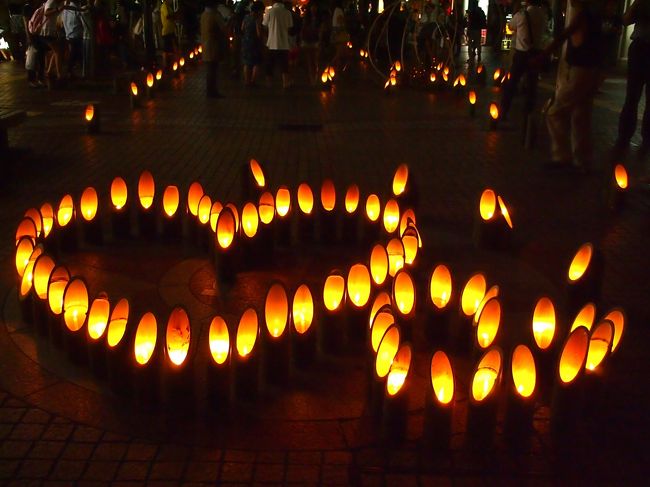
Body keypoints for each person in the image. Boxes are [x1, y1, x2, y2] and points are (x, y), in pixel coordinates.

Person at [537, 0, 604, 173]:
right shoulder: (595, 15)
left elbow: (565, 35)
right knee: (581, 116)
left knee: (555, 111)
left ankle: (562, 157)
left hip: (580, 70)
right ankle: (582, 160)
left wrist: (544, 53)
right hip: (591, 69)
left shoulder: (582, 14)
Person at [499, 0, 548, 119]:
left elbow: (510, 26)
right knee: (532, 86)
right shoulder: (543, 15)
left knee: (512, 83)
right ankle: (528, 114)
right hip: (536, 54)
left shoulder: (521, 15)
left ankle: (504, 111)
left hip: (522, 54)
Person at [615, 0, 650, 157]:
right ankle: (635, 139)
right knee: (632, 97)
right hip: (640, 47)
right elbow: (626, 19)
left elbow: (626, 19)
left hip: (640, 47)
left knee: (632, 96)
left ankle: (627, 138)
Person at [263, 0, 293, 88]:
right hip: (284, 43)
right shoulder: (287, 12)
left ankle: (269, 83)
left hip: (271, 42)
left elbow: (264, 25)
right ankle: (285, 83)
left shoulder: (269, 12)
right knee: (284, 65)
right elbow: (289, 27)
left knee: (269, 64)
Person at [201, 0, 227, 97]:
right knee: (213, 69)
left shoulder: (203, 15)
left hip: (205, 45)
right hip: (214, 45)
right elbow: (223, 28)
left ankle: (210, 90)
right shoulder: (215, 15)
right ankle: (212, 91)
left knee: (209, 69)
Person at [40, 0, 64, 83]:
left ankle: (49, 71)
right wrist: (57, 9)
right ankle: (59, 74)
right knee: (57, 51)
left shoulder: (57, 3)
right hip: (46, 31)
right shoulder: (51, 2)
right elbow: (46, 13)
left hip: (51, 31)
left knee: (56, 51)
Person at [241, 0, 264, 86]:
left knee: (246, 62)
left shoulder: (246, 17)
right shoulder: (257, 19)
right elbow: (259, 33)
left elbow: (242, 28)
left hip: (246, 41)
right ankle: (253, 81)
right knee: (256, 62)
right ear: (259, 10)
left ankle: (247, 81)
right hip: (254, 43)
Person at [301, 1, 323, 84]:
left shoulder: (319, 19)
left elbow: (321, 30)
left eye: (315, 7)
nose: (314, 9)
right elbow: (303, 29)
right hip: (308, 40)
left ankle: (316, 76)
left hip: (316, 40)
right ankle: (312, 78)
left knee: (316, 60)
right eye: (312, 7)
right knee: (310, 60)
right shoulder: (306, 18)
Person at [61, 0, 84, 78]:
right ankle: (70, 71)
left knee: (73, 54)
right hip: (76, 34)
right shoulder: (77, 9)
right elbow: (82, 21)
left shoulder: (65, 9)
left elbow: (62, 21)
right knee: (75, 54)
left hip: (68, 34)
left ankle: (70, 71)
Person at [329, 0, 348, 72]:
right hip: (340, 34)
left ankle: (335, 68)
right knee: (340, 53)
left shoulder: (335, 10)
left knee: (339, 53)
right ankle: (331, 66)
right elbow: (340, 22)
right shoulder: (339, 10)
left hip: (337, 33)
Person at [160, 0, 176, 67]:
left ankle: (171, 64)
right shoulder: (164, 6)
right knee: (166, 50)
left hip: (171, 30)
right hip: (167, 31)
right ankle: (166, 65)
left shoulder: (168, 6)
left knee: (171, 49)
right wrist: (175, 15)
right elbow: (168, 16)